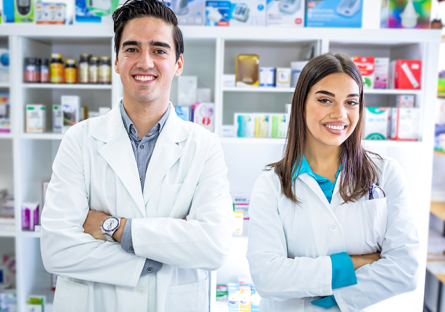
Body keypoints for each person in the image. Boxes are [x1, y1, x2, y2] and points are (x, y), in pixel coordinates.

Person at [40, 0, 233, 311]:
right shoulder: (79, 139)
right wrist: (158, 254)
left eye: (159, 50)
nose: (145, 62)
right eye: (131, 49)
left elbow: (214, 247)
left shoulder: (204, 146)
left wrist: (115, 227)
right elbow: (56, 250)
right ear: (116, 61)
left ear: (178, 63)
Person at [246, 53, 419, 312]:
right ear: (301, 103)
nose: (340, 114)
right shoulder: (271, 184)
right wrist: (351, 264)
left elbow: (406, 270)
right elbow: (267, 277)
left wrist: (336, 296)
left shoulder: (386, 174)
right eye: (325, 100)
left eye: (351, 102)